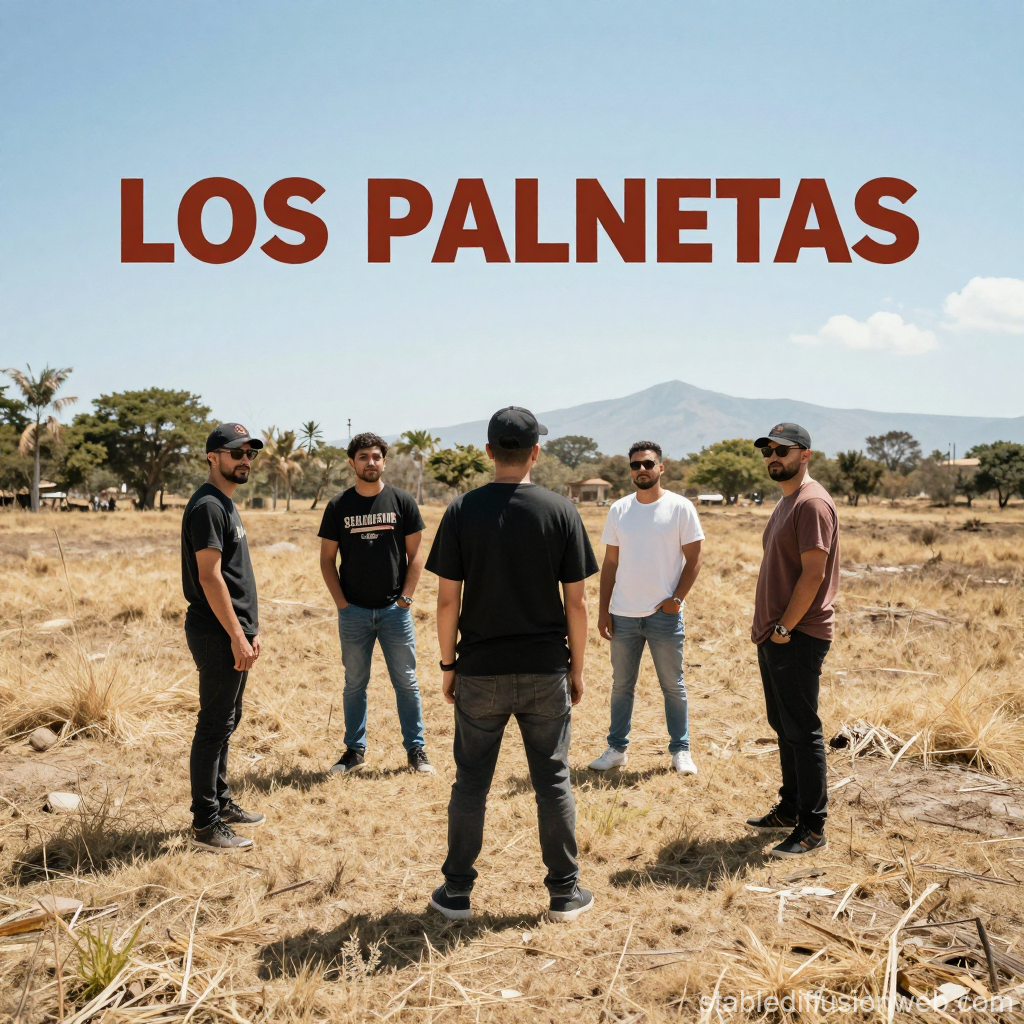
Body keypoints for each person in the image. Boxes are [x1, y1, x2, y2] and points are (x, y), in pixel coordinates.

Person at [425, 406, 599, 923]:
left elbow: (444, 603)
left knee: (471, 782)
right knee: (553, 781)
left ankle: (456, 892)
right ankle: (564, 894)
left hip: (479, 668)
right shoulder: (561, 511)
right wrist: (578, 669)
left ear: (487, 452)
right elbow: (578, 604)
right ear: (536, 453)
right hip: (546, 667)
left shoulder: (461, 510)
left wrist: (448, 664)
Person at [745, 423, 840, 859]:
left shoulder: (812, 502)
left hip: (797, 635)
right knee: (785, 726)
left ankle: (812, 828)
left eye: (782, 450)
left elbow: (814, 574)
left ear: (806, 454)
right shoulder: (787, 500)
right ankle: (789, 809)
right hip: (776, 635)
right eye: (767, 450)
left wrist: (785, 628)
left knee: (803, 731)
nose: (772, 457)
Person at [318, 432, 434, 775]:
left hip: (394, 613)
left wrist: (405, 600)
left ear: (384, 461)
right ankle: (354, 751)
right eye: (364, 456)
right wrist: (342, 604)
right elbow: (326, 560)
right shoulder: (339, 506)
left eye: (377, 456)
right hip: (353, 612)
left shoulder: (402, 502)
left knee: (407, 682)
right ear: (351, 462)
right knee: (354, 683)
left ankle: (416, 751)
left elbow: (416, 557)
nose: (371, 462)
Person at [589, 441, 705, 776]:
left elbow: (695, 559)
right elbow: (610, 564)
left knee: (673, 685)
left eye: (648, 464)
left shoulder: (680, 508)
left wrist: (677, 600)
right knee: (621, 685)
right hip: (623, 614)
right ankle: (616, 749)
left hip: (664, 616)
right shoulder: (619, 510)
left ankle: (681, 751)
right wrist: (603, 610)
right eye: (636, 465)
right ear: (630, 471)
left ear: (661, 468)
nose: (642, 470)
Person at [181, 423, 266, 854]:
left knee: (227, 720)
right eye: (236, 453)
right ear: (212, 457)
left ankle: (221, 801)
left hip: (234, 632)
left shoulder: (225, 503)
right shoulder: (209, 507)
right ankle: (205, 825)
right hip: (218, 634)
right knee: (213, 725)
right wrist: (236, 634)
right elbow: (210, 577)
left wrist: (249, 630)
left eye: (250, 453)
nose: (245, 460)